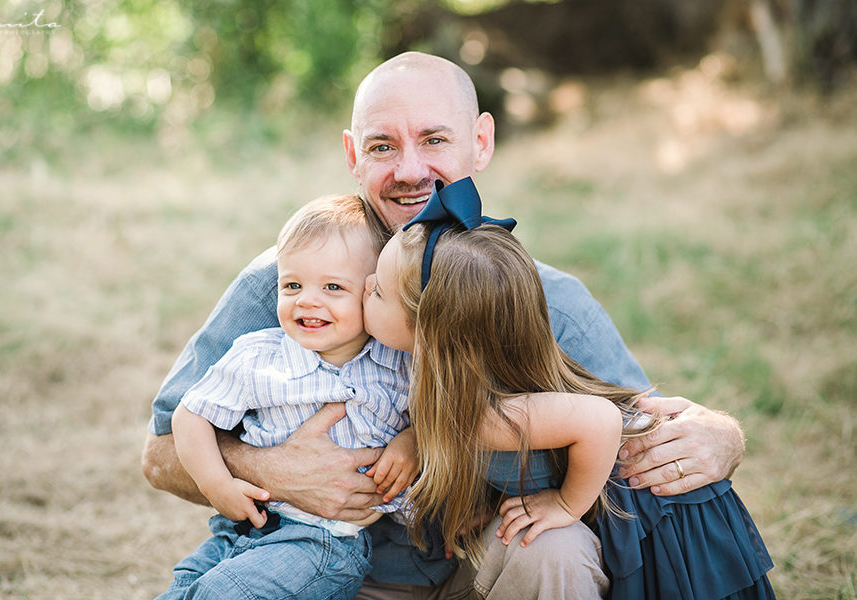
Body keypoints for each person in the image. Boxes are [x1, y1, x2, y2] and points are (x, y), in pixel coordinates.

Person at [142, 51, 748, 598]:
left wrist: (723, 437)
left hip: (478, 567)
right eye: (383, 146)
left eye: (434, 140)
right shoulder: (288, 288)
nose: (410, 170)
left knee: (555, 551)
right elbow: (160, 454)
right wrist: (273, 469)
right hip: (322, 566)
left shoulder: (544, 301)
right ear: (353, 156)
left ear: (480, 143)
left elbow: (637, 420)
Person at [361, 176, 775, 599]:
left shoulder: (485, 414)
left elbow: (600, 420)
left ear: (427, 332)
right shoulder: (487, 369)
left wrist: (564, 504)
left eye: (376, 291)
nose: (364, 287)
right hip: (642, 511)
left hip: (662, 513)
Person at [156, 194, 419, 599]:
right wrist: (217, 485)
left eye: (333, 287)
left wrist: (412, 440)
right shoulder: (258, 357)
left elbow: (445, 419)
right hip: (242, 528)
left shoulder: (398, 362)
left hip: (323, 544)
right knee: (184, 590)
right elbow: (190, 416)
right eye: (292, 285)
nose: (307, 300)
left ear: (373, 291)